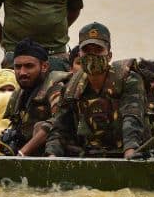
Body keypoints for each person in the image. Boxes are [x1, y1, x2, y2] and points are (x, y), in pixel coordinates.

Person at [45, 23, 148, 158]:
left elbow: (132, 116)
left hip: (127, 154)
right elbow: (60, 128)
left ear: (109, 55)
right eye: (87, 50)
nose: (92, 55)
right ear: (80, 54)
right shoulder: (71, 88)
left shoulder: (128, 79)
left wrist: (130, 150)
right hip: (90, 156)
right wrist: (51, 155)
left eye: (98, 50)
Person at [2, 39, 70, 156]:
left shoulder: (55, 88)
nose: (22, 72)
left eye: (29, 66)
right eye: (18, 67)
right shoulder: (18, 95)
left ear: (44, 66)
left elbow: (57, 122)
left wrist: (22, 153)